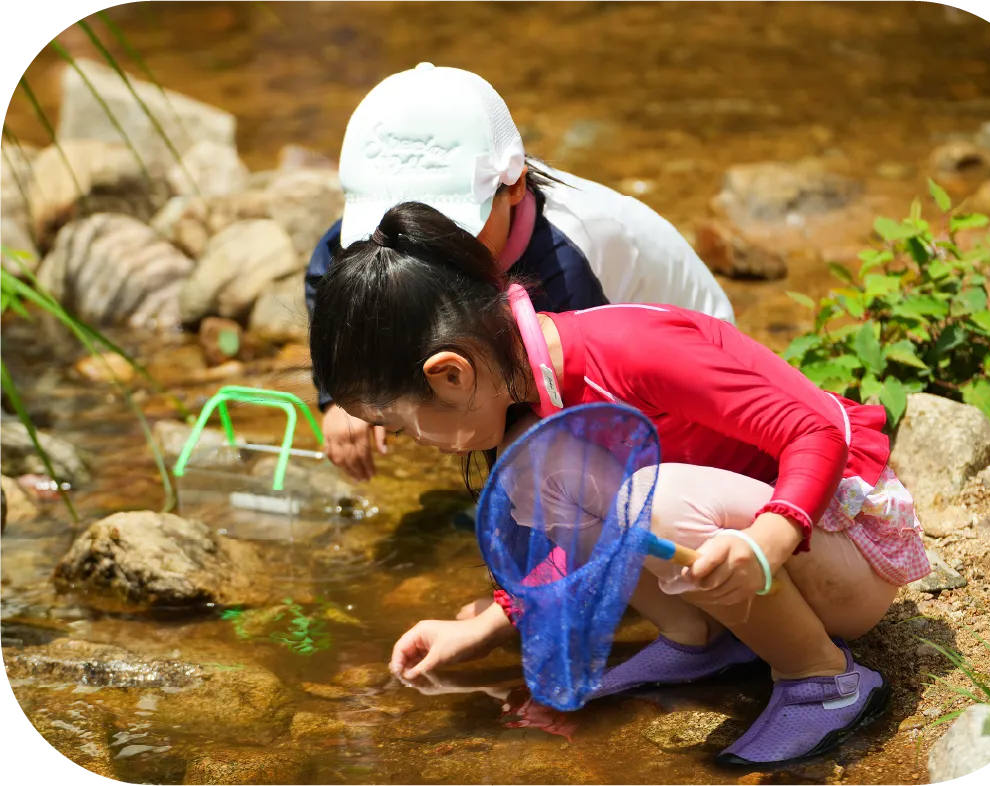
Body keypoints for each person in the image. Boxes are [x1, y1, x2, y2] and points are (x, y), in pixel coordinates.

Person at [307, 202, 933, 765]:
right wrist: (489, 625)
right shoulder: (530, 395)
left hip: (843, 545)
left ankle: (823, 681)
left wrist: (768, 539)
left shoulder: (628, 351)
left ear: (450, 375)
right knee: (539, 470)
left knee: (647, 497)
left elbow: (816, 432)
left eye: (403, 426)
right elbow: (577, 538)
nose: (415, 443)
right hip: (754, 559)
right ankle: (701, 637)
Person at [304, 62, 734, 484]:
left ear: (514, 186)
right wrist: (345, 394)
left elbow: (573, 394)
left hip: (678, 395)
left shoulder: (571, 256)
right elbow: (333, 285)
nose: (428, 249)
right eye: (412, 230)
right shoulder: (385, 232)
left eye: (456, 231)